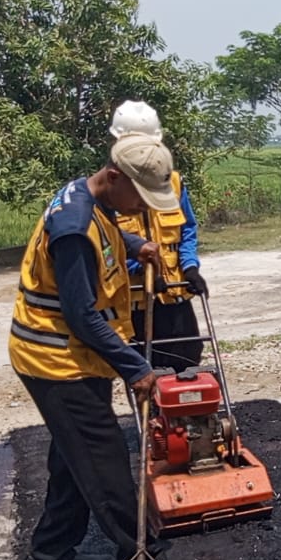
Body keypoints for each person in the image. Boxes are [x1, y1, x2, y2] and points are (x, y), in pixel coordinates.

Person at [8, 134, 195, 560]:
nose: (141, 206)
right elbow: (81, 313)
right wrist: (135, 367)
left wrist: (134, 244)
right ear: (113, 176)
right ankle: (143, 557)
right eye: (138, 195)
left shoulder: (88, 195)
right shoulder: (72, 227)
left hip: (77, 357)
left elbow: (107, 227)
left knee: (73, 458)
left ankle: (49, 556)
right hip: (56, 358)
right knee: (104, 457)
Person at [109, 100, 207, 372]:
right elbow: (107, 245)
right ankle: (150, 414)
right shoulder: (112, 188)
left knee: (188, 357)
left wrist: (189, 267)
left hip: (175, 293)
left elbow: (187, 228)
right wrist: (142, 267)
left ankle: (188, 414)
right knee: (145, 366)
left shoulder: (173, 181)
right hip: (136, 297)